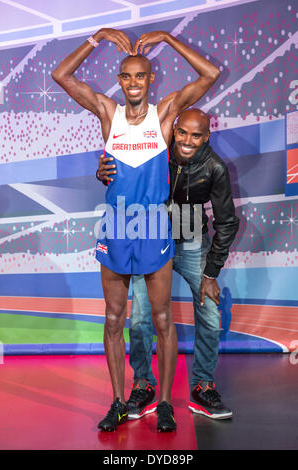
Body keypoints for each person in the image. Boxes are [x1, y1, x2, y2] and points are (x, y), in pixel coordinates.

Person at [52, 29, 220, 432]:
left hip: (152, 225)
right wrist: (95, 39)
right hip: (115, 224)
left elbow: (209, 74)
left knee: (162, 318)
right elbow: (62, 75)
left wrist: (168, 37)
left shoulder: (164, 115)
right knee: (114, 318)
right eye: (125, 76)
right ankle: (117, 401)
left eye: (140, 76)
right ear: (119, 79)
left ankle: (164, 404)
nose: (132, 83)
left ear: (150, 79)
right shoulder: (107, 113)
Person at [98, 108, 239, 420]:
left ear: (207, 137)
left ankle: (202, 385)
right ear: (173, 130)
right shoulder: (157, 148)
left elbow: (227, 222)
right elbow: (124, 166)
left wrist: (211, 273)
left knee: (210, 312)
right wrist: (103, 170)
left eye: (197, 135)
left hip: (190, 239)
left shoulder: (214, 167)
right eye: (183, 133)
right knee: (139, 319)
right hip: (149, 236)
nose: (188, 140)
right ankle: (143, 384)